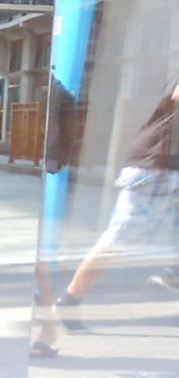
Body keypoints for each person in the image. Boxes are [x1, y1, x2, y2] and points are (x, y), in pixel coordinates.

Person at [37, 75, 179, 356]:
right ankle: (69, 301)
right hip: (153, 170)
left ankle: (175, 273)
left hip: (167, 170)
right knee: (116, 240)